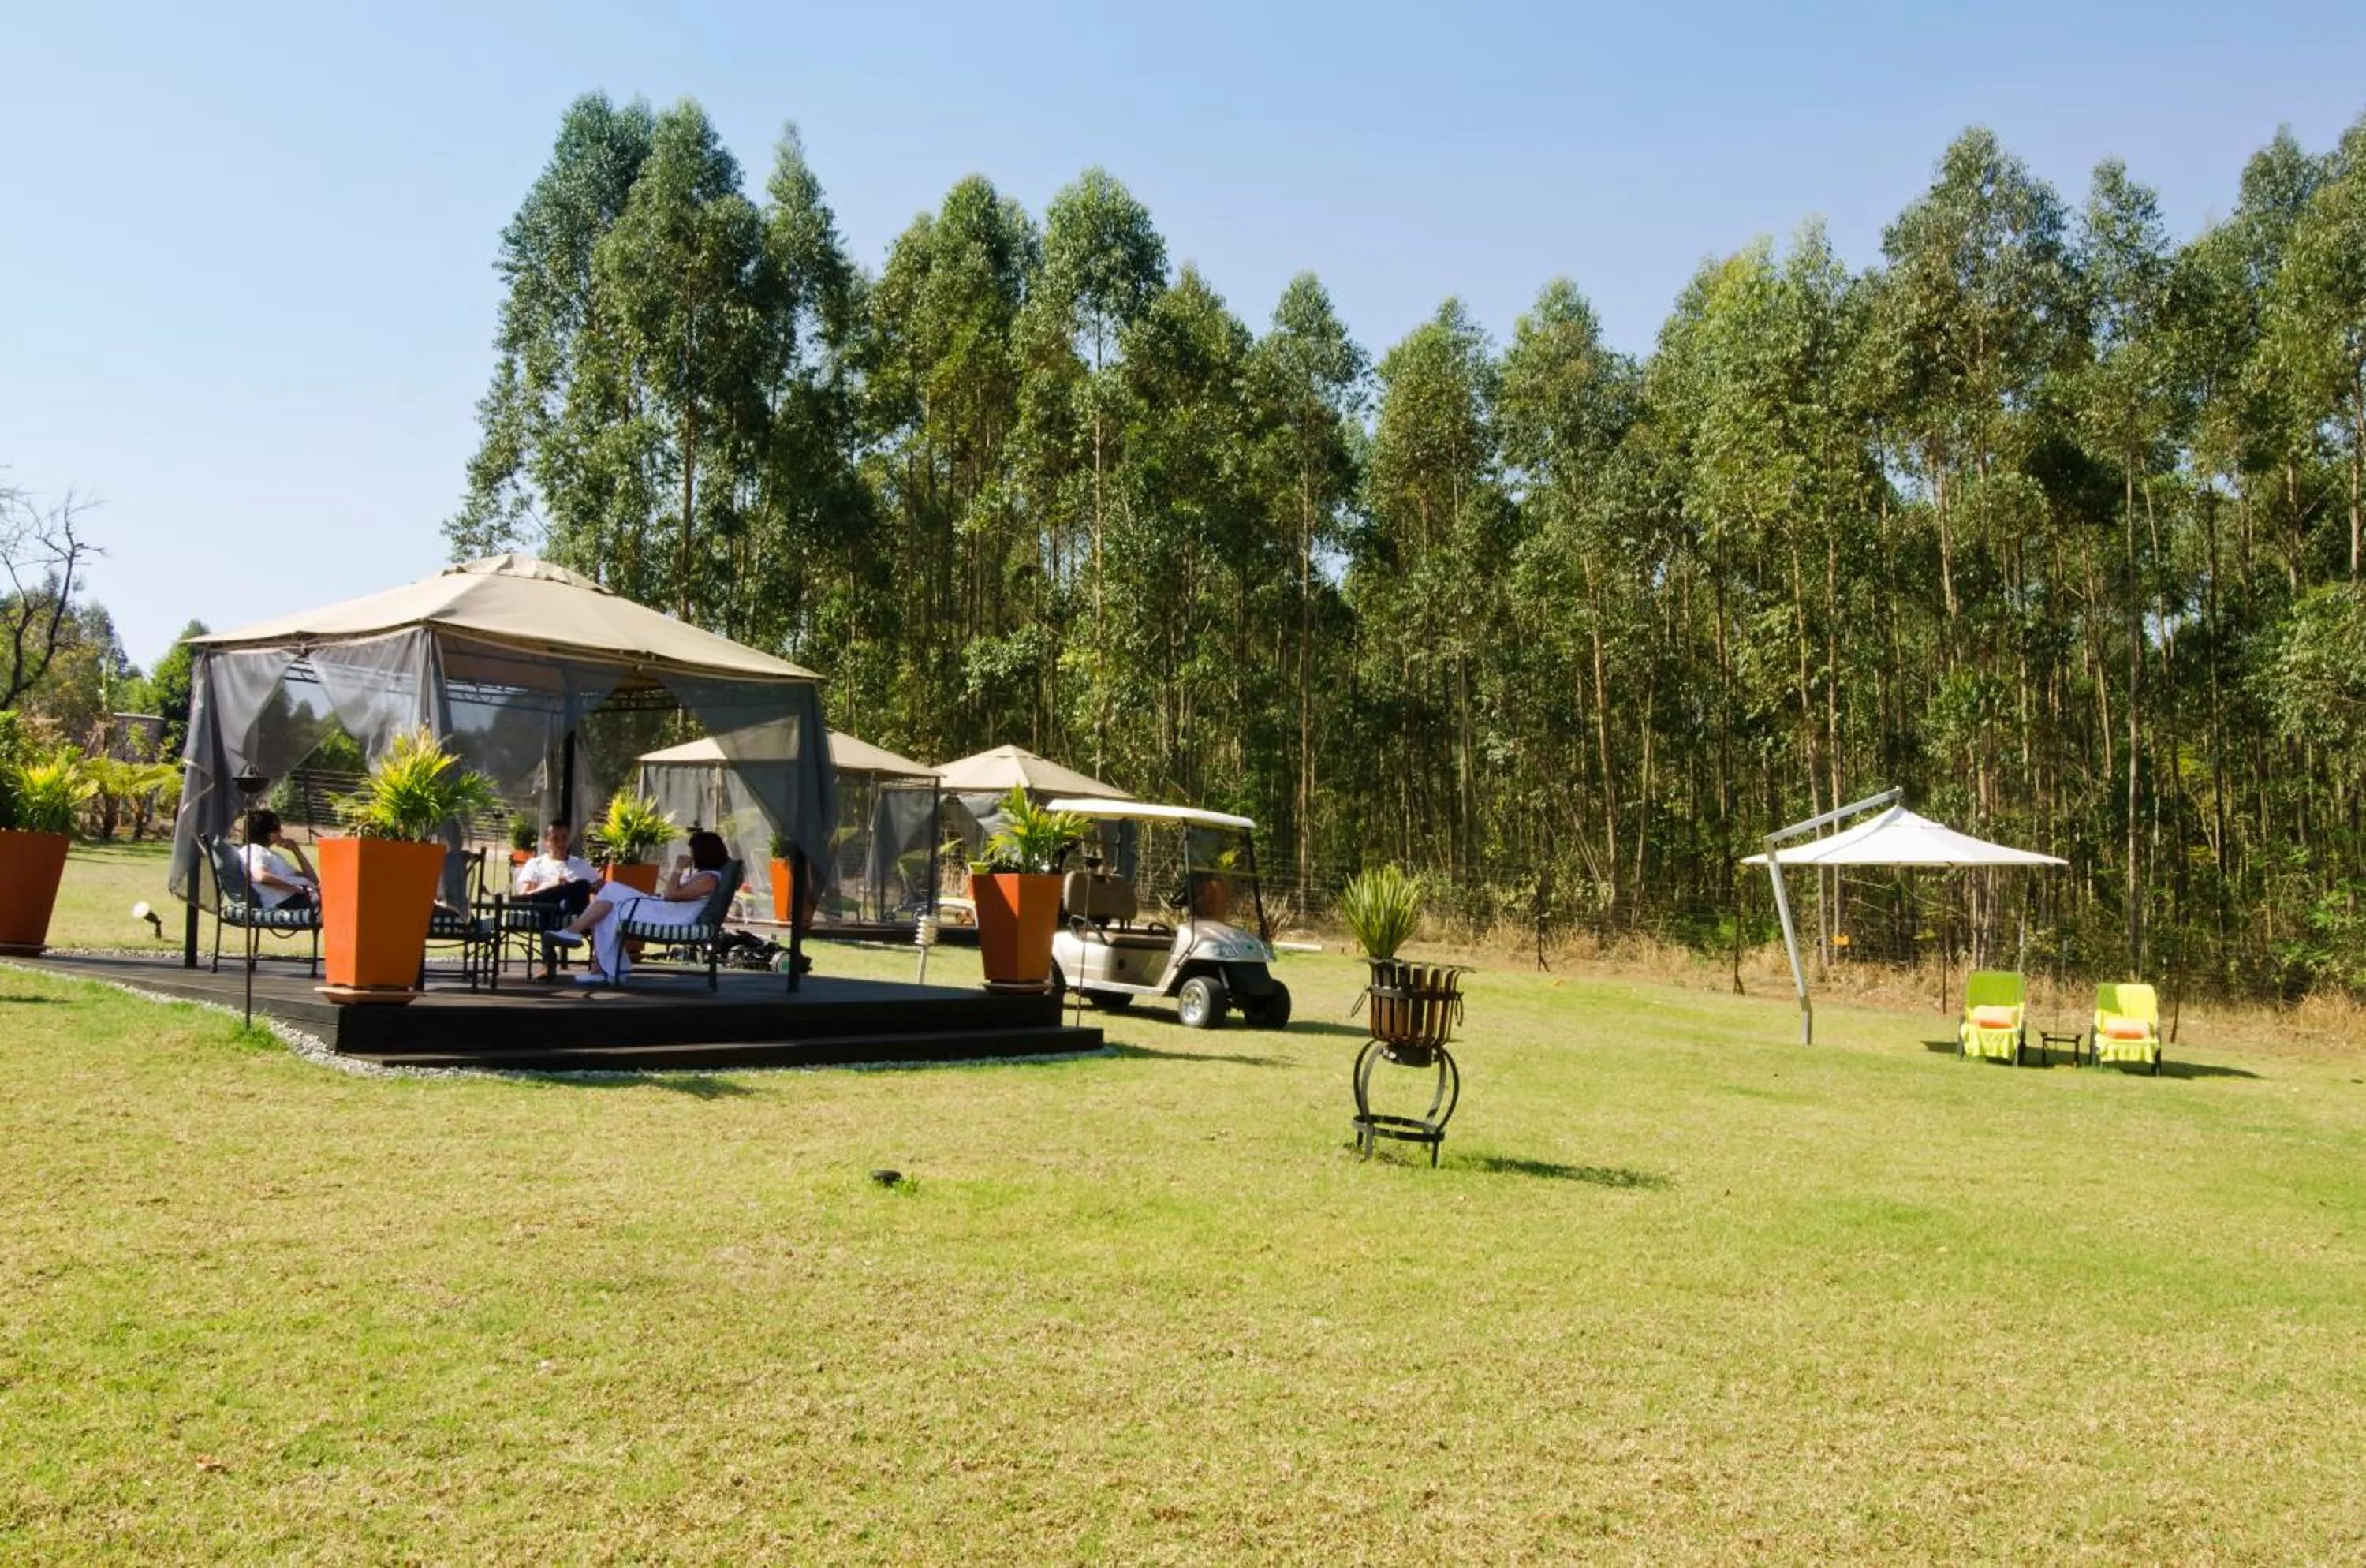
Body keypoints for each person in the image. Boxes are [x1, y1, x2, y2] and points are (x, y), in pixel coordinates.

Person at [549, 829, 728, 984]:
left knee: (610, 892)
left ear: (704, 853)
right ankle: (598, 965)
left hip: (669, 917)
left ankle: (580, 940)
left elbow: (671, 895)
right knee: (607, 905)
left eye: (693, 851)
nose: (691, 855)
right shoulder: (704, 875)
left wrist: (678, 868)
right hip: (663, 909)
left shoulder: (709, 879)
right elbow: (671, 894)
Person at [239, 809, 319, 911]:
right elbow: (260, 877)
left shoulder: (270, 854)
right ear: (267, 832)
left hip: (301, 896)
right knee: (339, 898)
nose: (281, 831)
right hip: (288, 901)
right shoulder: (252, 850)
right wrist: (298, 889)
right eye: (277, 828)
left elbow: (313, 880)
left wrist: (296, 850)